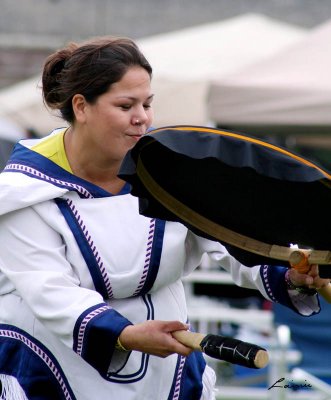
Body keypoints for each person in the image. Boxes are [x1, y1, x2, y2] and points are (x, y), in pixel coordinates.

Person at [0, 36, 328, 400]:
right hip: (55, 365)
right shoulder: (20, 193)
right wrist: (124, 334)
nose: (141, 117)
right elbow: (50, 291)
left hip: (168, 371)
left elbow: (230, 241)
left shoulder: (171, 171)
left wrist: (292, 275)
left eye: (147, 103)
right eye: (125, 105)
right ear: (81, 106)